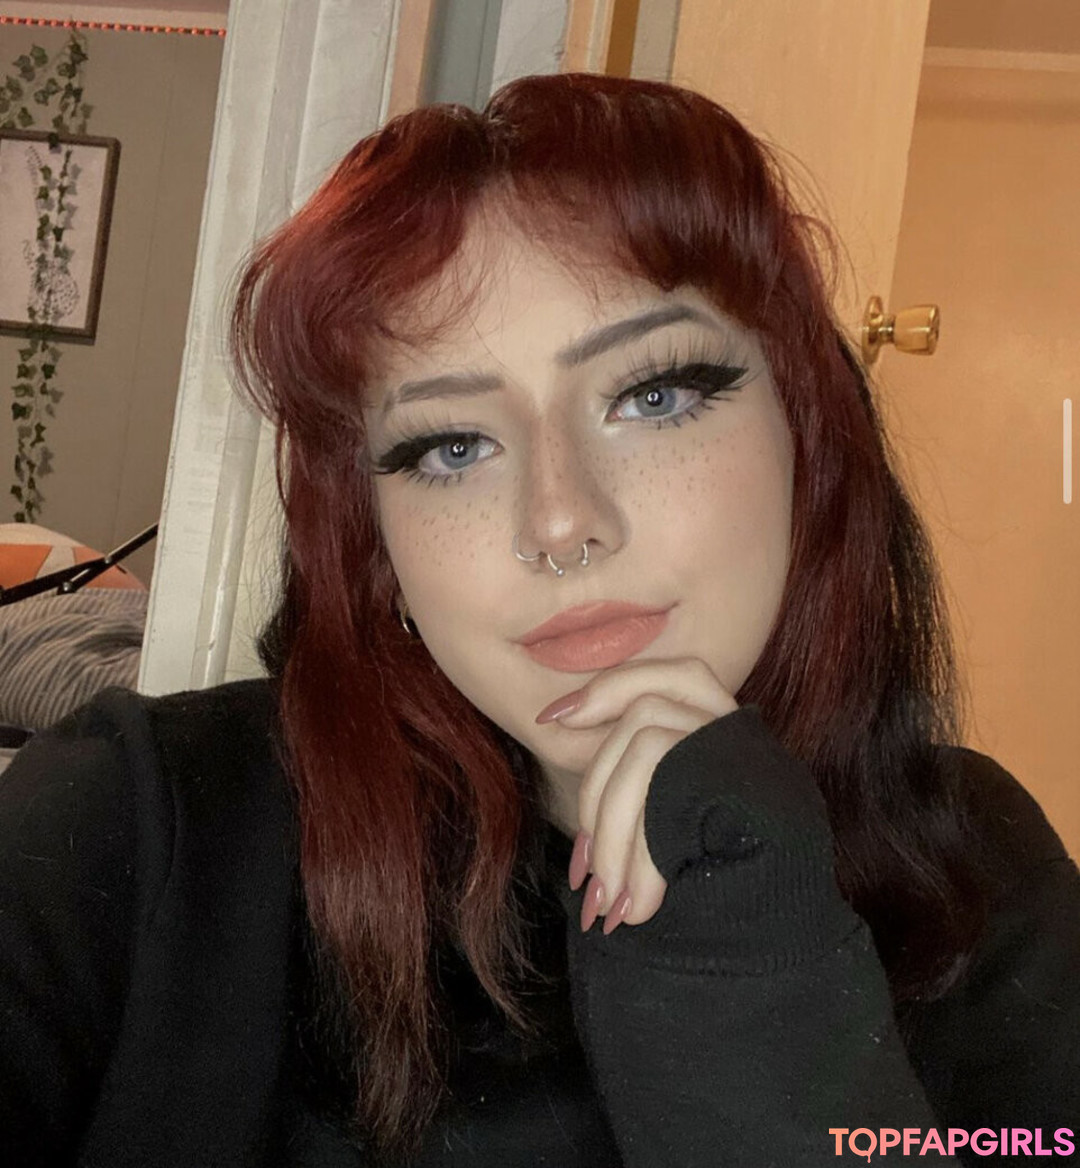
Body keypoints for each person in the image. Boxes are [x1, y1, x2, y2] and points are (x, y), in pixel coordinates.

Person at [0, 72, 1077, 1168]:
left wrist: (757, 982)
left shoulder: (976, 871)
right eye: (452, 446)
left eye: (653, 394)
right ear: (378, 545)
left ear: (808, 432)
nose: (560, 523)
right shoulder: (132, 824)